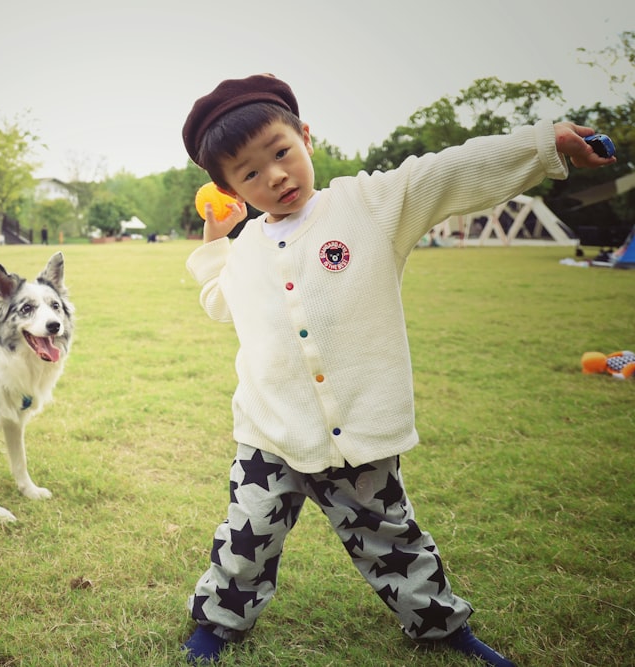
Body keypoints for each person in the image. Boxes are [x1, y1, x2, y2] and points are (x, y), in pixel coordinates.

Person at [178, 74, 615, 666]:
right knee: (246, 539)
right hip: (270, 432)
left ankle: (441, 627)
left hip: (358, 430)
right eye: (249, 174)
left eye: (281, 153)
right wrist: (217, 240)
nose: (274, 176)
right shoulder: (249, 246)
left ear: (305, 136)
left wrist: (545, 144)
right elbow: (218, 301)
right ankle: (216, 623)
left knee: (392, 539)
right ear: (228, 187)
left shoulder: (368, 205)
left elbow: (448, 172)